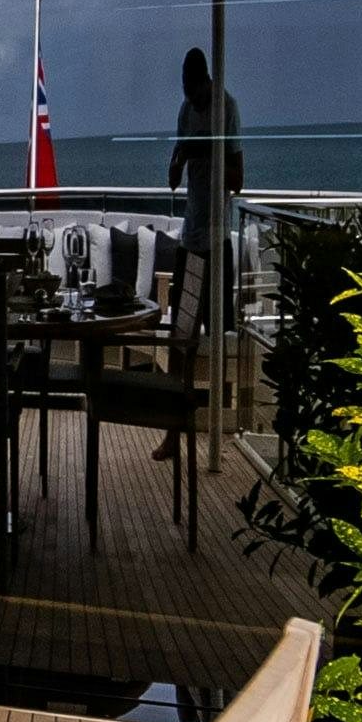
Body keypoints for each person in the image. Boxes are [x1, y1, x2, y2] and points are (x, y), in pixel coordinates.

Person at [163, 50, 245, 452]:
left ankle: (216, 429)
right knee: (182, 336)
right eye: (185, 91)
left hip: (216, 240)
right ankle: (173, 433)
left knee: (214, 336)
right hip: (189, 239)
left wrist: (205, 152)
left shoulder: (226, 107)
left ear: (204, 80)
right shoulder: (184, 109)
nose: (190, 98)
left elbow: (239, 180)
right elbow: (176, 160)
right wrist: (176, 165)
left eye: (193, 91)